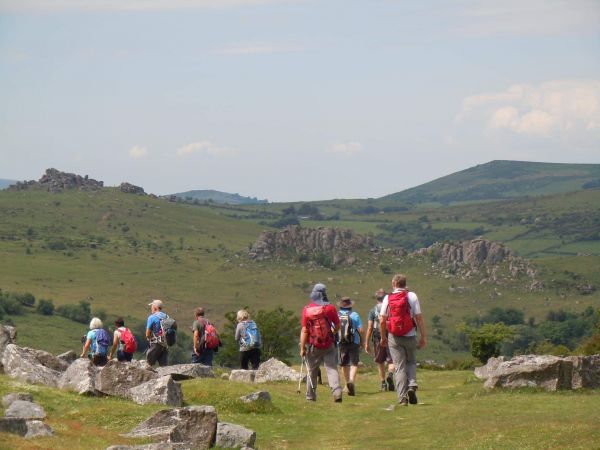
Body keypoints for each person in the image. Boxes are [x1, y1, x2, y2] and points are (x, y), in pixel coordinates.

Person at [380, 274, 427, 406]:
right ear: (405, 284)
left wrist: (383, 337)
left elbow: (382, 320)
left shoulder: (388, 298)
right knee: (411, 362)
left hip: (394, 337)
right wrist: (423, 336)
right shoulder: (412, 296)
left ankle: (402, 399)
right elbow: (419, 317)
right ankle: (412, 385)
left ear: (394, 284)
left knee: (399, 367)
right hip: (410, 334)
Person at [300, 283, 342, 402]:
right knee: (331, 368)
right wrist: (332, 332)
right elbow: (338, 326)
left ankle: (310, 396)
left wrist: (302, 348)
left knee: (312, 371)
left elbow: (304, 330)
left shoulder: (307, 310)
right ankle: (337, 392)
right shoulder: (330, 308)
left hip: (314, 345)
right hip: (329, 344)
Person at [365, 288, 396, 391]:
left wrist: (366, 343)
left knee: (380, 361)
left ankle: (383, 383)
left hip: (378, 338)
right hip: (390, 336)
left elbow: (370, 327)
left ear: (376, 298)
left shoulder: (373, 310)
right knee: (392, 360)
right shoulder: (390, 309)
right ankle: (390, 374)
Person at [337, 297, 363, 396]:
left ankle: (346, 384)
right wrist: (362, 341)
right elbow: (361, 330)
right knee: (354, 363)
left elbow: (333, 329)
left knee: (344, 364)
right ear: (350, 306)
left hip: (341, 343)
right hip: (354, 342)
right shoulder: (355, 315)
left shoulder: (337, 315)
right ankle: (351, 381)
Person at [145, 299, 169, 369]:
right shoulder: (166, 316)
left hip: (155, 343)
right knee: (164, 367)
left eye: (152, 306)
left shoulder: (152, 317)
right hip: (165, 345)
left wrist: (149, 339)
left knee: (148, 365)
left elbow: (147, 334)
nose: (151, 308)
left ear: (155, 307)